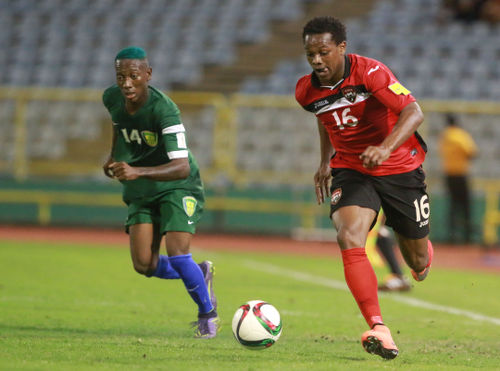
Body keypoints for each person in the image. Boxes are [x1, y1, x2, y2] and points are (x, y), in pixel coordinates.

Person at [295, 17, 434, 360]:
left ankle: (419, 255)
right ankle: (378, 326)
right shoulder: (305, 91)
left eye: (323, 52)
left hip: (400, 168)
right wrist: (326, 160)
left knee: (418, 263)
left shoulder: (371, 73)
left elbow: (414, 112)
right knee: (348, 236)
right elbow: (325, 116)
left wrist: (385, 148)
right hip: (352, 170)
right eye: (310, 53)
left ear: (341, 48)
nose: (316, 60)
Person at [102, 46, 219, 339]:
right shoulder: (111, 98)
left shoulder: (164, 110)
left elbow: (180, 167)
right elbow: (119, 126)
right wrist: (113, 157)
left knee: (178, 255)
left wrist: (137, 170)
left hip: (179, 185)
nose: (126, 83)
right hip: (142, 187)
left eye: (133, 75)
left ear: (148, 74)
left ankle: (207, 316)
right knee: (144, 264)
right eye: (120, 77)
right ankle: (201, 273)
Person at [439, 113, 478, 243]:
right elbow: (471, 152)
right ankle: (466, 237)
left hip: (448, 174)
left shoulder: (445, 136)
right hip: (460, 174)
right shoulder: (460, 135)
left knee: (453, 205)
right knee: (465, 206)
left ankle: (452, 236)